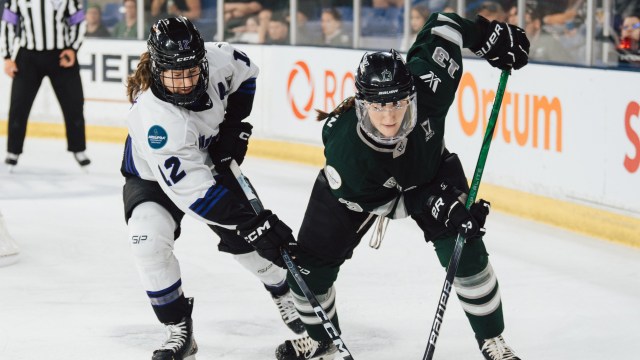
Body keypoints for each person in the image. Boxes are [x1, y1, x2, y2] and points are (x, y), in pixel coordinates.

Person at [272, 12, 530, 360]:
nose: (389, 116)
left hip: (430, 168)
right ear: (362, 105)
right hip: (356, 198)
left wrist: (489, 36)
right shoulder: (347, 153)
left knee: (465, 246)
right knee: (307, 272)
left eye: (397, 103)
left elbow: (444, 27)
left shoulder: (430, 84)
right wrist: (439, 203)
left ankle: (492, 340)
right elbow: (389, 203)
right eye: (378, 106)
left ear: (412, 95)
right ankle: (320, 340)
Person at [122, 16, 304, 359]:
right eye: (175, 75)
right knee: (147, 240)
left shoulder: (218, 58)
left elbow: (247, 75)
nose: (186, 82)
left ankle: (282, 292)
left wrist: (234, 127)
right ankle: (178, 329)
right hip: (154, 177)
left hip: (207, 162)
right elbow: (197, 196)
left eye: (192, 71)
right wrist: (252, 222)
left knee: (249, 246)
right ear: (157, 68)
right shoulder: (158, 121)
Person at [1, 0, 91, 169]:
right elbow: (8, 22)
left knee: (74, 103)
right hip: (28, 56)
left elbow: (78, 20)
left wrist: (73, 48)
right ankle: (13, 151)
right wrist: (6, 56)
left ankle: (78, 149)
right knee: (19, 105)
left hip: (61, 54)